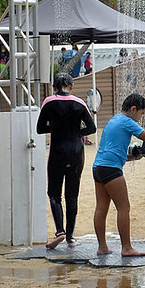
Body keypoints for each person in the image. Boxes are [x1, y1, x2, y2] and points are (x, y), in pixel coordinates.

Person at [92, 93, 145, 257]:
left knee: (101, 208)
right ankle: (126, 248)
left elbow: (110, 150)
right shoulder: (127, 121)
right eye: (140, 114)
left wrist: (132, 157)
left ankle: (102, 247)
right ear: (133, 109)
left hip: (98, 167)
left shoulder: (114, 120)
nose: (139, 119)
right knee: (124, 207)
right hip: (111, 169)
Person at [37, 73, 96, 249]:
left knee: (54, 194)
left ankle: (60, 232)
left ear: (54, 87)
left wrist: (56, 128)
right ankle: (70, 237)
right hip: (77, 152)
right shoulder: (79, 103)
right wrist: (76, 132)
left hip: (57, 151)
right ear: (71, 87)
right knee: (72, 195)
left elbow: (40, 128)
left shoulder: (49, 102)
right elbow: (91, 127)